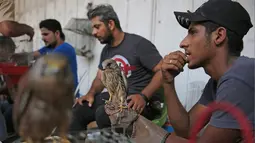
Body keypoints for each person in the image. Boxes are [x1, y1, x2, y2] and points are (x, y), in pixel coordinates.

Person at [162, 0, 254, 142]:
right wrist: (168, 82)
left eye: (193, 32)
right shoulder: (218, 81)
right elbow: (186, 129)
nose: (183, 43)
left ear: (219, 36)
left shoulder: (239, 78)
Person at [69, 4, 163, 132]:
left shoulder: (138, 44)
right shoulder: (106, 51)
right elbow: (100, 78)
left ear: (111, 24)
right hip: (116, 100)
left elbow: (162, 72)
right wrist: (90, 93)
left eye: (97, 27)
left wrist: (143, 96)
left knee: (104, 114)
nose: (93, 32)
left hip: (140, 103)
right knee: (78, 109)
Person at [33, 19, 79, 97]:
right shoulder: (49, 48)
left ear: (57, 33)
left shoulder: (65, 49)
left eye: (46, 34)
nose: (42, 38)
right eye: (42, 35)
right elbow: (33, 55)